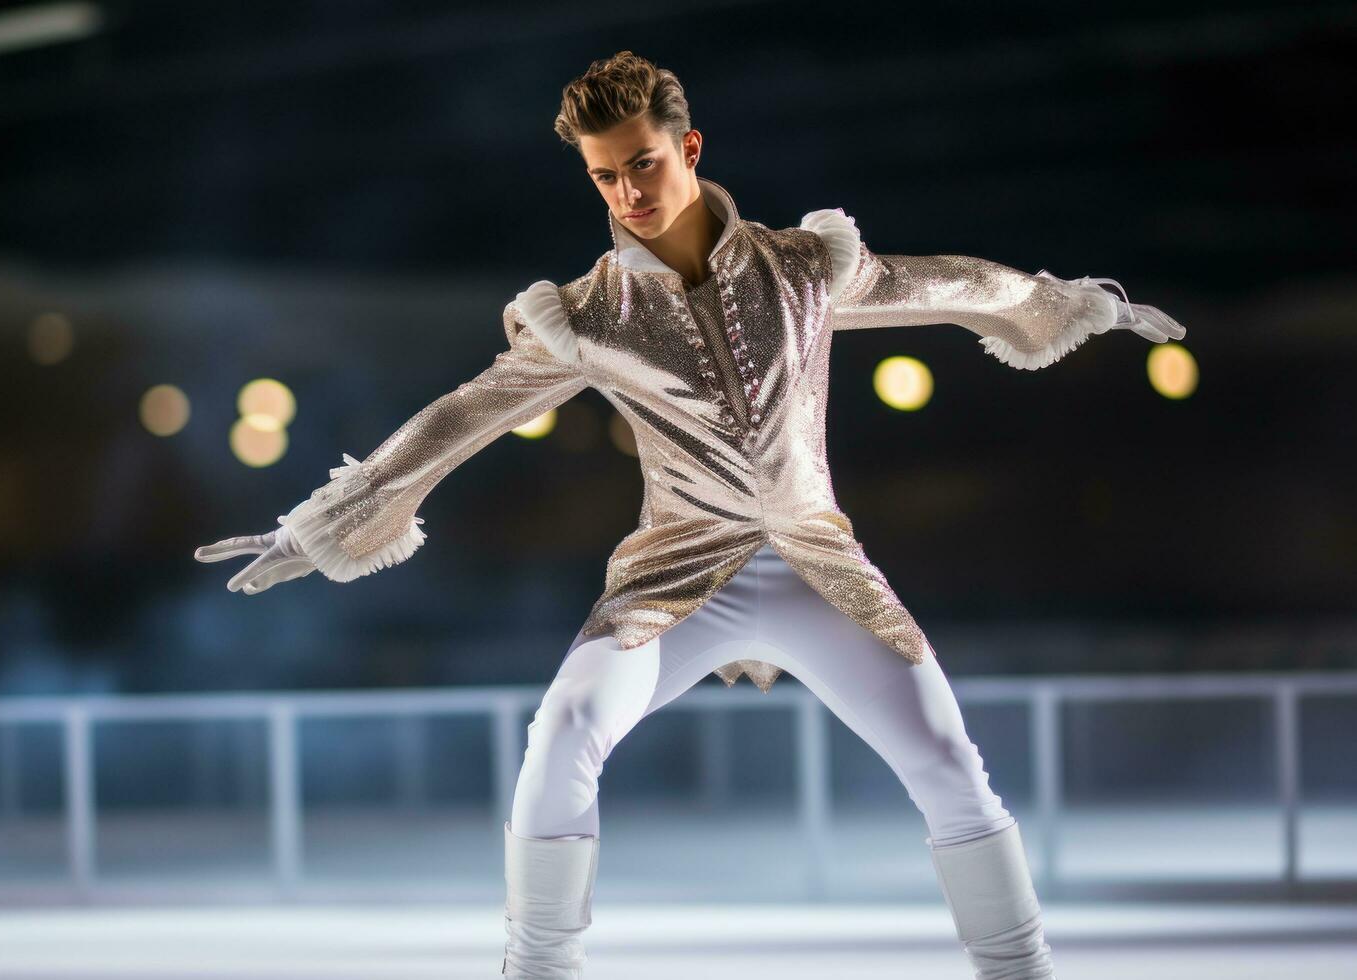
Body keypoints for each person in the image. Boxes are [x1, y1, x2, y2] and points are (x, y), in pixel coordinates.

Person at [195, 50, 1183, 980]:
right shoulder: (587, 314)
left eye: (643, 164)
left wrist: (1071, 305)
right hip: (674, 578)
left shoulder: (802, 268)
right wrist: (322, 526)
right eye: (604, 176)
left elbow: (948, 283)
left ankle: (1020, 968)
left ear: (689, 149)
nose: (628, 192)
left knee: (945, 756)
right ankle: (537, 965)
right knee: (566, 726)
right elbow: (466, 413)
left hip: (817, 566)